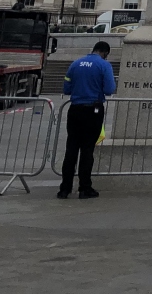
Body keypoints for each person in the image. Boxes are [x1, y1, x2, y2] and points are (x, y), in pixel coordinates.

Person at [58, 40, 116, 199]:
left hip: (75, 109)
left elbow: (66, 87)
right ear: (105, 53)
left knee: (71, 149)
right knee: (87, 150)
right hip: (93, 110)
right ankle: (85, 188)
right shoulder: (104, 65)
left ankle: (65, 189)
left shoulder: (75, 63)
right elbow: (109, 89)